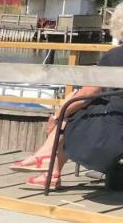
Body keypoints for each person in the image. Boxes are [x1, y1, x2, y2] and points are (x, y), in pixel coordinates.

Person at [11, 39, 123, 190]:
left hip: (115, 129)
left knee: (76, 109)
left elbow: (88, 93)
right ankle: (47, 163)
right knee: (86, 107)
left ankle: (48, 164)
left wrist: (56, 116)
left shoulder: (117, 55)